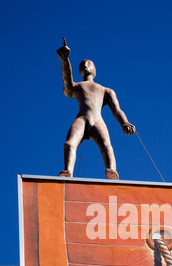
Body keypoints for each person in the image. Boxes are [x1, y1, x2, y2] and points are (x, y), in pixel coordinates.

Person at [56, 38, 135, 179]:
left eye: (89, 64)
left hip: (97, 119)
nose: (86, 65)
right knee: (69, 144)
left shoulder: (106, 90)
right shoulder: (78, 86)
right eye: (83, 65)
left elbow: (117, 110)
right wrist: (65, 61)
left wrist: (125, 122)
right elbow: (67, 85)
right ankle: (67, 171)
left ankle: (111, 171)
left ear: (95, 69)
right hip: (82, 118)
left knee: (106, 146)